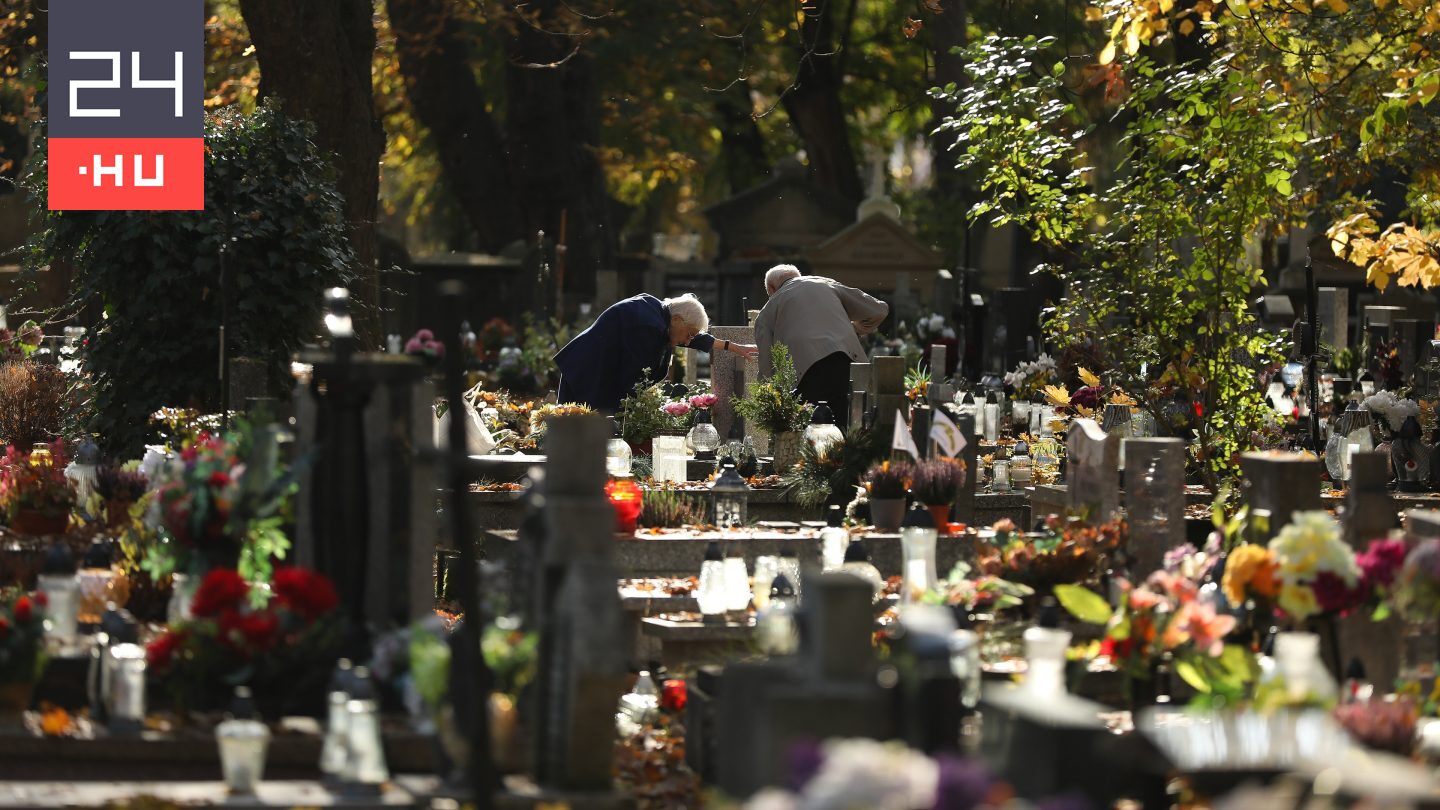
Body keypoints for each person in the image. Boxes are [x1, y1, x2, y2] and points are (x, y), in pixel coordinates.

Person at [554, 293, 759, 412]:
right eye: (689, 334)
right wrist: (648, 409)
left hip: (589, 373)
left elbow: (689, 337)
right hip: (586, 376)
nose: (688, 341)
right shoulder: (648, 327)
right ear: (677, 319)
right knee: (568, 437)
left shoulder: (658, 312)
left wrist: (733, 347)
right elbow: (632, 382)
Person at [754, 265, 889, 430]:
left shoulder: (767, 310)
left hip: (803, 374)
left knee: (810, 435)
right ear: (798, 276)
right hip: (844, 361)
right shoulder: (825, 284)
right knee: (846, 427)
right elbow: (879, 310)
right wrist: (855, 329)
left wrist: (768, 395)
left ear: (771, 288)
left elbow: (767, 364)